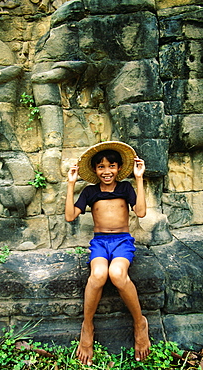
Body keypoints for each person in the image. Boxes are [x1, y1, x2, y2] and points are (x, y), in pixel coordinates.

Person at [65, 141, 151, 366]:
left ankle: (139, 323)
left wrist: (139, 179)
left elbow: (140, 212)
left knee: (117, 274)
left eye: (111, 166)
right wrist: (71, 184)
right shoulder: (90, 192)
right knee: (98, 275)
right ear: (95, 170)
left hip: (122, 242)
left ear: (118, 168)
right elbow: (69, 216)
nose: (107, 171)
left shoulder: (125, 188)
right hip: (100, 244)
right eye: (101, 167)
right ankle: (87, 326)